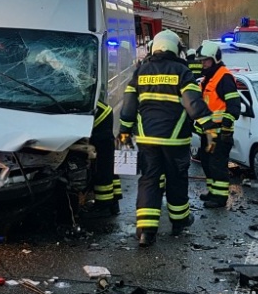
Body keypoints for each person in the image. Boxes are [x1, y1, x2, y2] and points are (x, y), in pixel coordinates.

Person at [118, 30, 218, 248]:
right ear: (175, 48)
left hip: (147, 140)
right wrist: (210, 129)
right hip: (175, 141)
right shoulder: (181, 71)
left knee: (149, 180)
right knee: (176, 180)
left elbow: (128, 107)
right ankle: (179, 221)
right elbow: (194, 104)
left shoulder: (140, 71)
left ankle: (146, 231)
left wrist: (124, 134)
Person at [195, 41, 241, 209]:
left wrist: (227, 125)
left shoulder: (224, 77)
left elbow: (234, 105)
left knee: (217, 165)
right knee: (207, 164)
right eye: (202, 61)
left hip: (220, 133)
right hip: (208, 133)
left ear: (214, 59)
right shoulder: (209, 78)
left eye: (205, 60)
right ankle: (213, 191)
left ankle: (220, 198)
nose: (203, 64)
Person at [80, 100, 121, 219]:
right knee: (107, 163)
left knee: (101, 165)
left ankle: (103, 206)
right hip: (100, 113)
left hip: (99, 119)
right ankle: (113, 203)